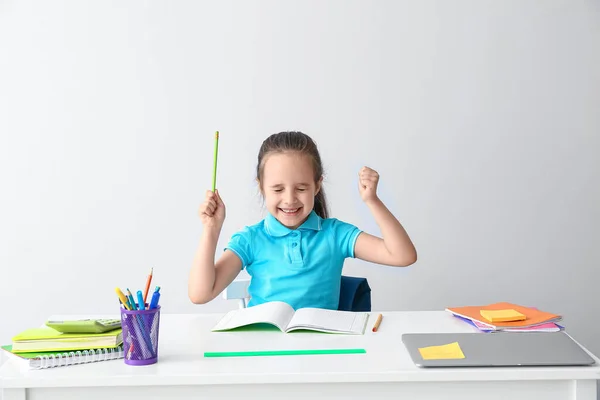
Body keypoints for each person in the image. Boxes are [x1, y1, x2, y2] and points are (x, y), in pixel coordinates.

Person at [188, 131, 416, 309]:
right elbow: (200, 294)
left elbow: (403, 256)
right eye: (277, 189)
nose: (289, 199)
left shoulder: (335, 235)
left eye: (301, 188)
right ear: (261, 187)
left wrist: (372, 201)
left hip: (320, 355)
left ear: (317, 185)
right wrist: (211, 229)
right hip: (264, 354)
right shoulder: (250, 239)